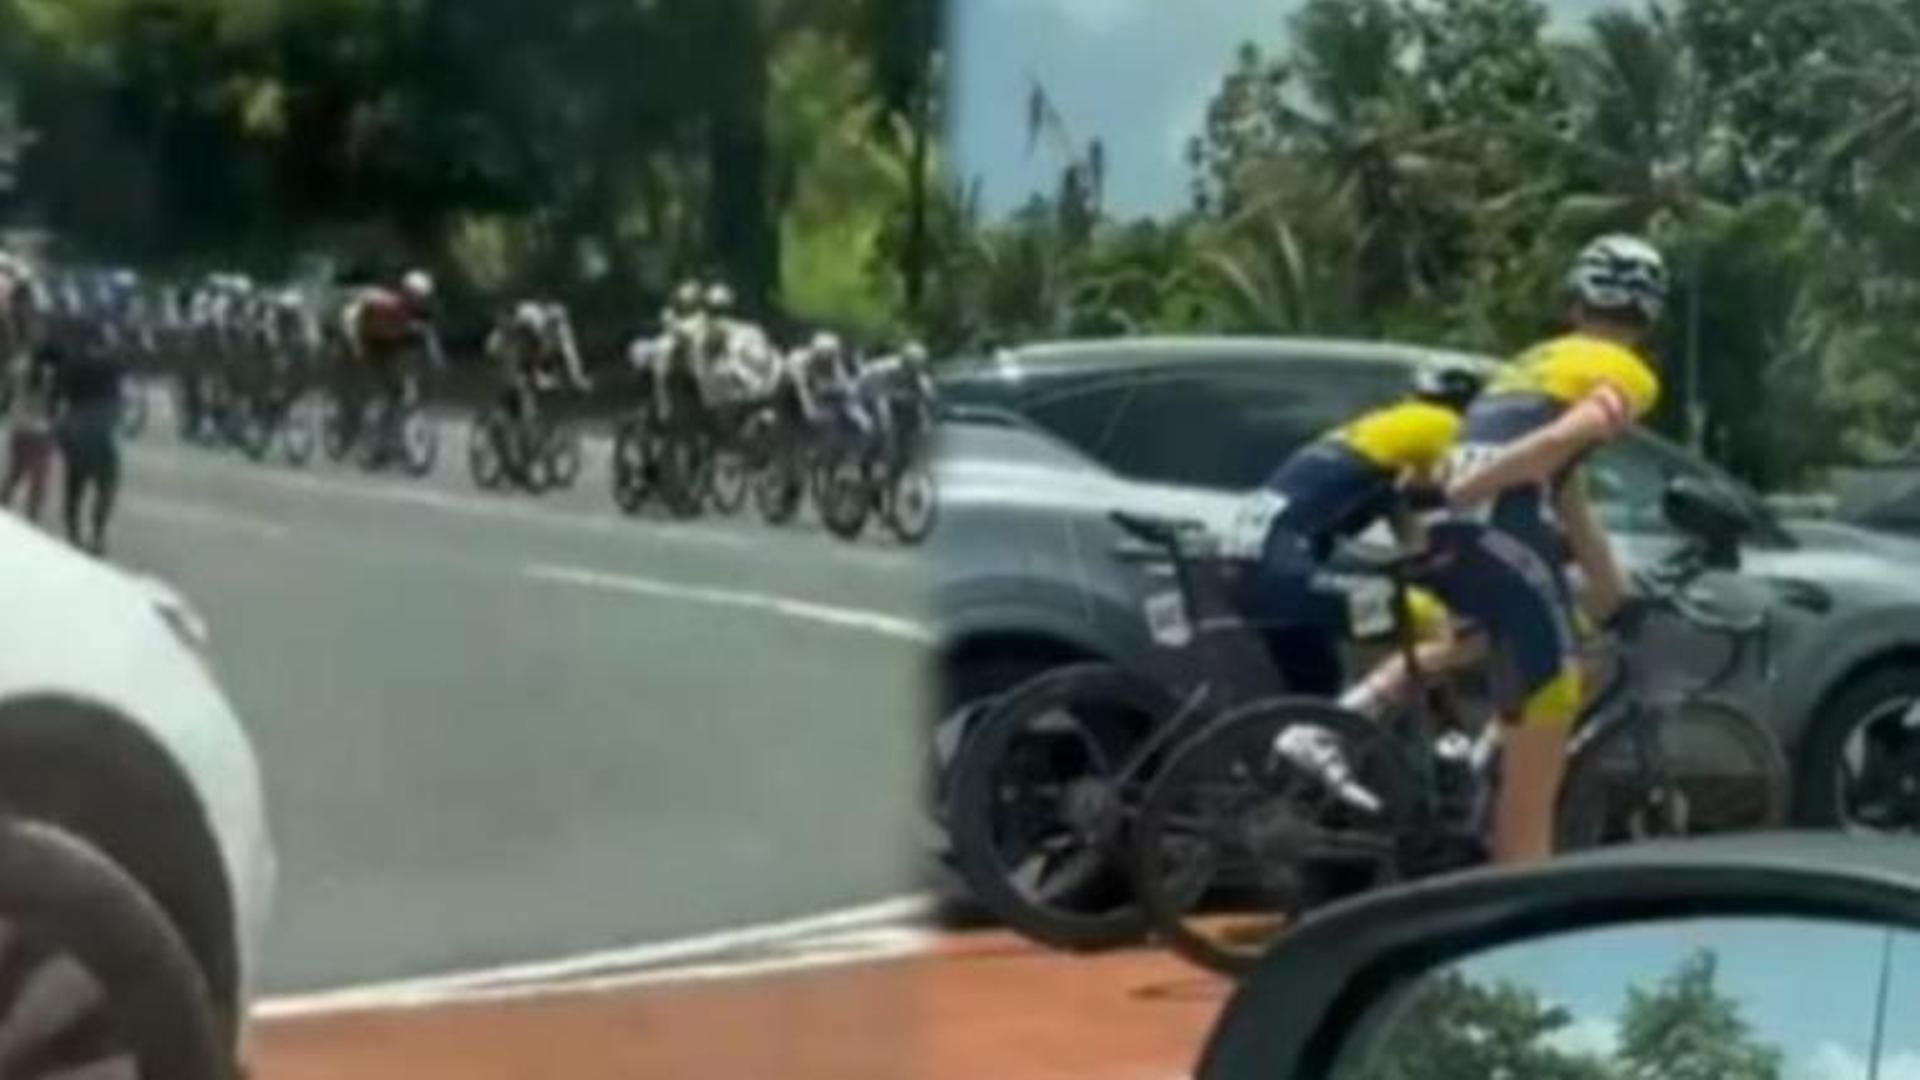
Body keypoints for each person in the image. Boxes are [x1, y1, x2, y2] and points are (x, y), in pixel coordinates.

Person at [1424, 233, 1669, 866]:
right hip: (1498, 530)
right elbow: (1570, 436)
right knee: (1551, 711)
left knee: (1514, 661)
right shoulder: (1626, 372)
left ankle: (1454, 773)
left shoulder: (1535, 360)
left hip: (1458, 534)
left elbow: (1566, 491)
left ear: (1575, 304)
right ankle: (1520, 893)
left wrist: (1609, 586)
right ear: (1649, 315)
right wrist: (1487, 478)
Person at [1222, 361, 1485, 804]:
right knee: (1438, 626)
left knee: (1319, 689)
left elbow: (1418, 543)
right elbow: (1469, 495)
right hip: (1285, 574)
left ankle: (1290, 789)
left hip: (1252, 567)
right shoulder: (1442, 425)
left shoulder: (1369, 440)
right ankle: (1428, 748)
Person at [338, 269, 442, 452]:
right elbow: (369, 331)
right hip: (373, 344)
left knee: (400, 389)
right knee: (381, 387)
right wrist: (359, 349)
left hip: (393, 346)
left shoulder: (421, 311)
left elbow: (428, 335)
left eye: (422, 296)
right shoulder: (389, 305)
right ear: (407, 291)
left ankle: (392, 433)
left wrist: (435, 358)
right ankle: (363, 432)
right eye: (416, 295)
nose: (419, 299)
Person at [486, 300, 592, 474]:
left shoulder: (553, 335)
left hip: (529, 362)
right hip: (503, 356)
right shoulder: (512, 334)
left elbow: (568, 360)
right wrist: (519, 380)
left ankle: (526, 446)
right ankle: (500, 434)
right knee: (513, 397)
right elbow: (509, 360)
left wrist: (576, 380)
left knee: (533, 397)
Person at [50, 331, 126, 555]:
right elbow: (118, 401)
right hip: (99, 429)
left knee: (74, 483)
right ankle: (97, 534)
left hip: (74, 426)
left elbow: (56, 396)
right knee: (107, 484)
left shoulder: (71, 363)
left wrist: (56, 427)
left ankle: (73, 534)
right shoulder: (113, 365)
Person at [2, 341, 59, 523]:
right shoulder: (53, 375)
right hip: (42, 429)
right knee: (39, 477)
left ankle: (3, 506)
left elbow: (6, 392)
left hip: (18, 424)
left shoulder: (20, 367)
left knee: (15, 470)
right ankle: (31, 517)